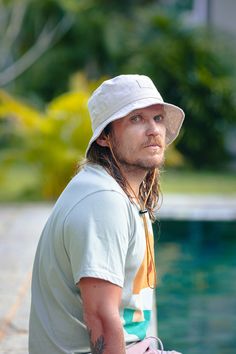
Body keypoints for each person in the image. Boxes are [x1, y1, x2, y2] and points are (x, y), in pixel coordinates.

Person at [29, 74, 185, 354]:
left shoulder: (123, 192)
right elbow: (100, 318)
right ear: (104, 136)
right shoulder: (103, 202)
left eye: (158, 118)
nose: (153, 130)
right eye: (136, 119)